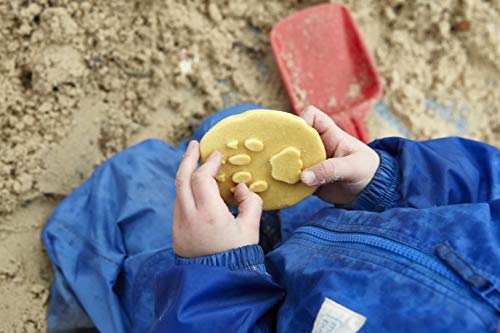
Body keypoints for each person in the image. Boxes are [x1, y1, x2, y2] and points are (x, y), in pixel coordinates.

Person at [42, 105, 500, 333]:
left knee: (120, 194)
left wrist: (212, 275)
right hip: (338, 231)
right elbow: (484, 182)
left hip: (238, 315)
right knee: (231, 126)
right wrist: (386, 183)